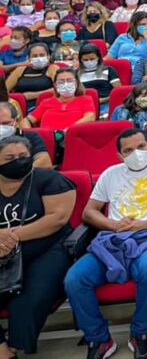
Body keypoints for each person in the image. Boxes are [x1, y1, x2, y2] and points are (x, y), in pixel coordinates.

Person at [65, 128, 147, 359]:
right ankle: (99, 339)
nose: (137, 153)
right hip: (113, 240)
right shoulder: (110, 174)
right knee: (75, 279)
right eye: (128, 150)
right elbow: (89, 212)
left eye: (141, 147)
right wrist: (114, 225)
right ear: (120, 155)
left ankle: (140, 333)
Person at [0, 135, 75, 356]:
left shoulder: (49, 179)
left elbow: (57, 219)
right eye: (10, 157)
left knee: (27, 301)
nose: (18, 161)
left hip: (48, 250)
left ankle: (16, 345)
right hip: (4, 255)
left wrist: (10, 236)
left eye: (23, 156)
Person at [23, 66, 96, 130]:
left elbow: (90, 117)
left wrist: (69, 129)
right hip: (47, 140)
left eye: (70, 81)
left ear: (76, 83)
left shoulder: (86, 99)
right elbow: (27, 120)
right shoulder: (46, 102)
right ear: (55, 85)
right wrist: (31, 134)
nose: (65, 84)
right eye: (61, 82)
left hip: (72, 138)